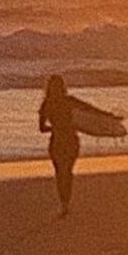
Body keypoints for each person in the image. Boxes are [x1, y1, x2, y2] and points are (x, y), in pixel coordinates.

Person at [38, 75, 118, 217]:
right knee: (67, 172)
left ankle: (64, 205)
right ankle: (65, 205)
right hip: (71, 140)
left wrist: (56, 127)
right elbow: (90, 110)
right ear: (63, 87)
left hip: (56, 141)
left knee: (60, 173)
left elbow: (42, 128)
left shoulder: (46, 104)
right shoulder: (69, 101)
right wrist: (109, 116)